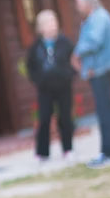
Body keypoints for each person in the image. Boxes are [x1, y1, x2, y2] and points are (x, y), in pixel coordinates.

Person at [72, 0, 110, 169]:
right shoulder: (95, 18)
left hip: (100, 70)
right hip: (98, 70)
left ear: (88, 2)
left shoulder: (99, 18)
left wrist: (76, 53)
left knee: (104, 111)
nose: (77, 7)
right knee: (107, 110)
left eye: (78, 3)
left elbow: (93, 42)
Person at [26, 9, 75, 161]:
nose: (52, 25)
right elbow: (30, 67)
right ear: (41, 27)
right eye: (48, 23)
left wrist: (68, 75)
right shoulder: (36, 47)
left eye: (54, 21)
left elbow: (74, 62)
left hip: (63, 86)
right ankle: (42, 152)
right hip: (45, 88)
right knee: (44, 118)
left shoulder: (65, 43)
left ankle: (68, 149)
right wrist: (38, 80)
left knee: (65, 117)